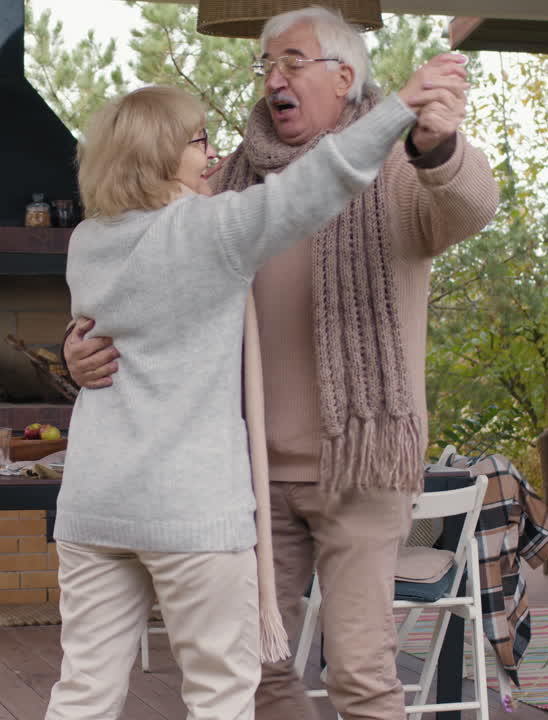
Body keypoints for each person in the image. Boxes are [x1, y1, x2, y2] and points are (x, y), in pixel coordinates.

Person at [63, 7, 500, 720]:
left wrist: (439, 144)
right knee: (258, 672)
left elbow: (471, 207)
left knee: (360, 672)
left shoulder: (396, 166)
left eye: (292, 62)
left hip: (358, 466)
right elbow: (138, 283)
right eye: (266, 65)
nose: (274, 78)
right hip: (247, 477)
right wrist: (77, 348)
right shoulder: (224, 184)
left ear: (345, 75)